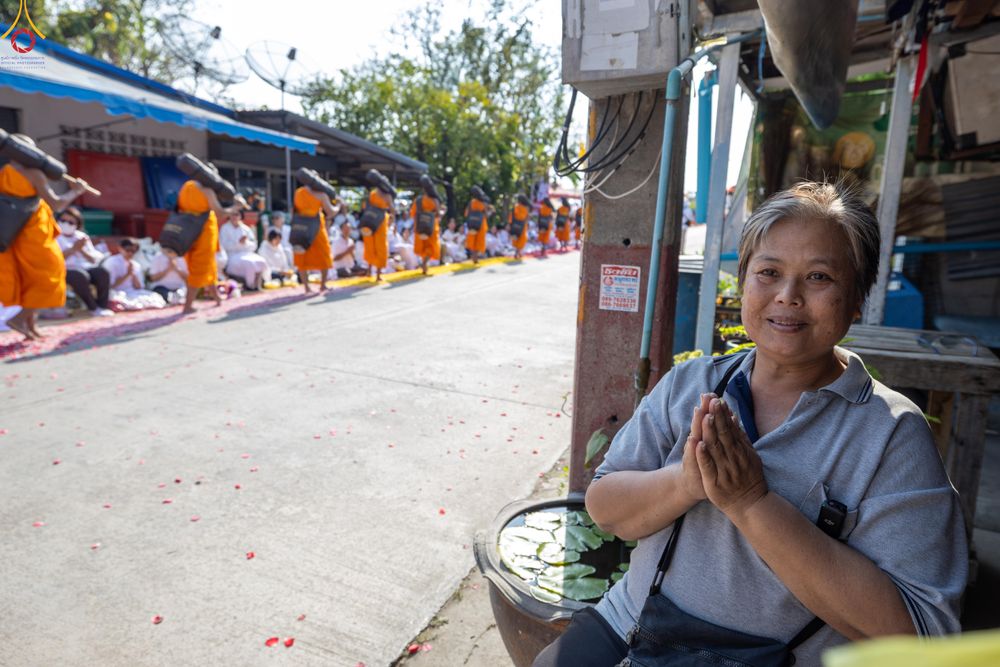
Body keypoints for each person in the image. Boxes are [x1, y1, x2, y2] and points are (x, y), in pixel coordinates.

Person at [533, 182, 966, 667]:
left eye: (819, 277)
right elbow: (606, 509)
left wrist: (751, 503)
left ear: (858, 298)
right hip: (633, 627)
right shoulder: (693, 384)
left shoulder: (890, 433)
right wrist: (684, 483)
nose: (788, 296)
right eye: (769, 272)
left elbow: (920, 636)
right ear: (743, 282)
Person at [0, 137, 88, 339]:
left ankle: (31, 327)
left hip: (14, 233)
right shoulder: (33, 173)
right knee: (50, 278)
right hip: (33, 233)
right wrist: (76, 191)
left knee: (31, 280)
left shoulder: (3, 173)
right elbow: (56, 204)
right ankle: (19, 318)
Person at [178, 178, 227, 314]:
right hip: (202, 231)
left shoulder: (187, 186)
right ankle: (188, 306)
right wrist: (236, 207)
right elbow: (220, 213)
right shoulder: (207, 191)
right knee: (200, 268)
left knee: (209, 266)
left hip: (187, 229)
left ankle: (216, 297)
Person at [56, 206, 113, 317]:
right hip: (65, 269)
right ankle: (93, 307)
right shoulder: (55, 236)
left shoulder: (82, 237)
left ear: (77, 224)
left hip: (85, 267)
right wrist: (73, 249)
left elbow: (93, 259)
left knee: (102, 272)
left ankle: (102, 306)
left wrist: (81, 249)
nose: (66, 224)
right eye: (63, 221)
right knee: (80, 276)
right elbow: (56, 259)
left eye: (70, 222)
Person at [292, 183, 334, 294]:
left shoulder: (298, 193)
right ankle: (322, 285)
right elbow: (330, 212)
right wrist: (339, 205)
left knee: (302, 255)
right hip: (316, 227)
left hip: (301, 226)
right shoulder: (321, 194)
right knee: (324, 255)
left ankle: (307, 287)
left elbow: (295, 209)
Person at [104, 238, 165, 310]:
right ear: (120, 248)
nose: (130, 253)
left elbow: (139, 287)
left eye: (133, 251)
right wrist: (127, 274)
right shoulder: (112, 262)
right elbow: (110, 286)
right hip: (117, 292)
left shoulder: (135, 265)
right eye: (128, 250)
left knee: (155, 298)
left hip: (133, 292)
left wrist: (133, 274)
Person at [219, 210, 269, 290]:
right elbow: (223, 245)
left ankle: (258, 285)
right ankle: (250, 286)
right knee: (249, 263)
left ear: (240, 216)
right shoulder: (225, 228)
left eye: (236, 214)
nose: (234, 217)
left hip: (247, 253)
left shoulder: (246, 229)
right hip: (232, 256)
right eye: (232, 215)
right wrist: (238, 243)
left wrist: (245, 243)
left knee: (261, 261)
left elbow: (254, 245)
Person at [360, 178, 394, 282]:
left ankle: (374, 273)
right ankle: (372, 272)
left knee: (377, 246)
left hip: (376, 221)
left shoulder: (381, 195)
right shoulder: (376, 194)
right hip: (375, 221)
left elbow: (364, 207)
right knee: (373, 246)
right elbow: (392, 209)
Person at [411, 175, 443, 275]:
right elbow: (437, 214)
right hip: (432, 227)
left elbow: (413, 214)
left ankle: (424, 264)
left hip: (419, 226)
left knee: (423, 246)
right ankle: (425, 263)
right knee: (431, 246)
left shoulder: (418, 200)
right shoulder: (435, 200)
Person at [464, 186, 491, 265]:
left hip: (471, 223)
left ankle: (473, 257)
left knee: (472, 240)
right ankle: (476, 257)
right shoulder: (483, 203)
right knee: (479, 241)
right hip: (481, 224)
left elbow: (466, 214)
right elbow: (486, 214)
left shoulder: (471, 202)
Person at [509, 194, 531, 260]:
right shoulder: (526, 208)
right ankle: (518, 252)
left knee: (516, 237)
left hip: (515, 224)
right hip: (522, 225)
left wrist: (510, 223)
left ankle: (518, 252)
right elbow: (527, 217)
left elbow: (512, 215)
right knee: (522, 239)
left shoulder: (516, 207)